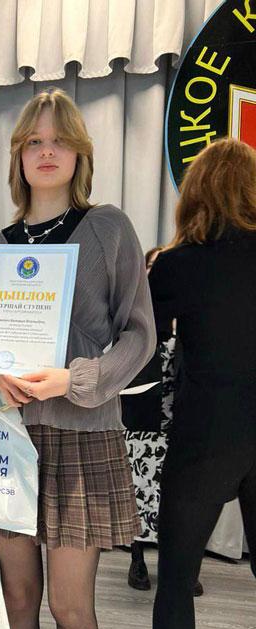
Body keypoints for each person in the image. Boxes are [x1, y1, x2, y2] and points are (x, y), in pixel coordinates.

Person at [0, 89, 156, 629]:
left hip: (81, 439)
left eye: (60, 140)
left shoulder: (108, 229)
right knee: (17, 600)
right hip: (8, 445)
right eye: (33, 141)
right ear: (18, 155)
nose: (46, 151)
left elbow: (140, 335)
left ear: (79, 153)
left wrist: (77, 379)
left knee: (70, 608)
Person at [104, 137, 256, 629]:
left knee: (174, 583)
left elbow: (133, 342)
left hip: (206, 439)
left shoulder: (178, 265)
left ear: (194, 194)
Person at [121, 248, 204, 596]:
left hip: (182, 420)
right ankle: (137, 559)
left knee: (181, 497)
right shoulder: (137, 315)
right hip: (144, 418)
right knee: (141, 491)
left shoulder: (191, 308)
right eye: (152, 265)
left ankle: (181, 567)